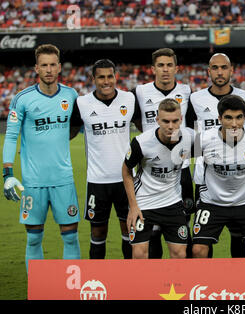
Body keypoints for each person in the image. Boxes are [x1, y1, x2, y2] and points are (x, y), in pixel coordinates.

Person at [2, 44, 80, 272]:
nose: (48, 69)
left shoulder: (71, 95)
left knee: (71, 238)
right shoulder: (22, 99)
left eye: (52, 64)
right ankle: (34, 292)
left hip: (63, 180)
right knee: (34, 239)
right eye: (44, 65)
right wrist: (8, 173)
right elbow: (11, 137)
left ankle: (71, 292)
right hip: (33, 183)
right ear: (36, 68)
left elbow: (76, 128)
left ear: (59, 67)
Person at [70, 59, 138, 259]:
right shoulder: (82, 103)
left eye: (110, 76)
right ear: (93, 79)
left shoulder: (129, 99)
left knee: (129, 229)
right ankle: (97, 280)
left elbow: (146, 126)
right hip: (97, 181)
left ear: (116, 77)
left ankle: (130, 278)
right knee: (97, 232)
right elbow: (69, 133)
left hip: (125, 180)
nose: (106, 81)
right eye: (101, 77)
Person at [186, 53, 245, 258]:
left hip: (239, 181)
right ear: (209, 71)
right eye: (215, 68)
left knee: (238, 235)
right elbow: (192, 138)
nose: (220, 72)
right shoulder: (195, 99)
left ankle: (238, 283)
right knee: (205, 237)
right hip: (206, 181)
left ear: (231, 70)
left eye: (224, 67)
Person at [132, 48, 194, 258]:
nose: (165, 70)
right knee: (153, 232)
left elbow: (191, 125)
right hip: (152, 166)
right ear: (153, 69)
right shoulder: (140, 92)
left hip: (180, 170)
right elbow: (135, 119)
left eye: (169, 65)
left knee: (182, 226)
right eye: (160, 65)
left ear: (176, 68)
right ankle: (156, 279)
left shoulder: (187, 91)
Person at [191, 95, 245, 258]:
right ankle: (202, 283)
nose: (234, 124)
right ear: (219, 118)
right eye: (228, 118)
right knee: (198, 250)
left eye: (239, 117)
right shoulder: (204, 139)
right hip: (212, 202)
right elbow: (175, 156)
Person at [123, 98, 194, 259]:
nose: (170, 126)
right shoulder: (142, 143)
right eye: (165, 121)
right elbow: (126, 171)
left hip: (172, 202)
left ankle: (175, 285)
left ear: (181, 119)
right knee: (140, 254)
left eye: (175, 121)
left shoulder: (189, 138)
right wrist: (133, 206)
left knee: (180, 254)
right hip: (144, 203)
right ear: (157, 120)